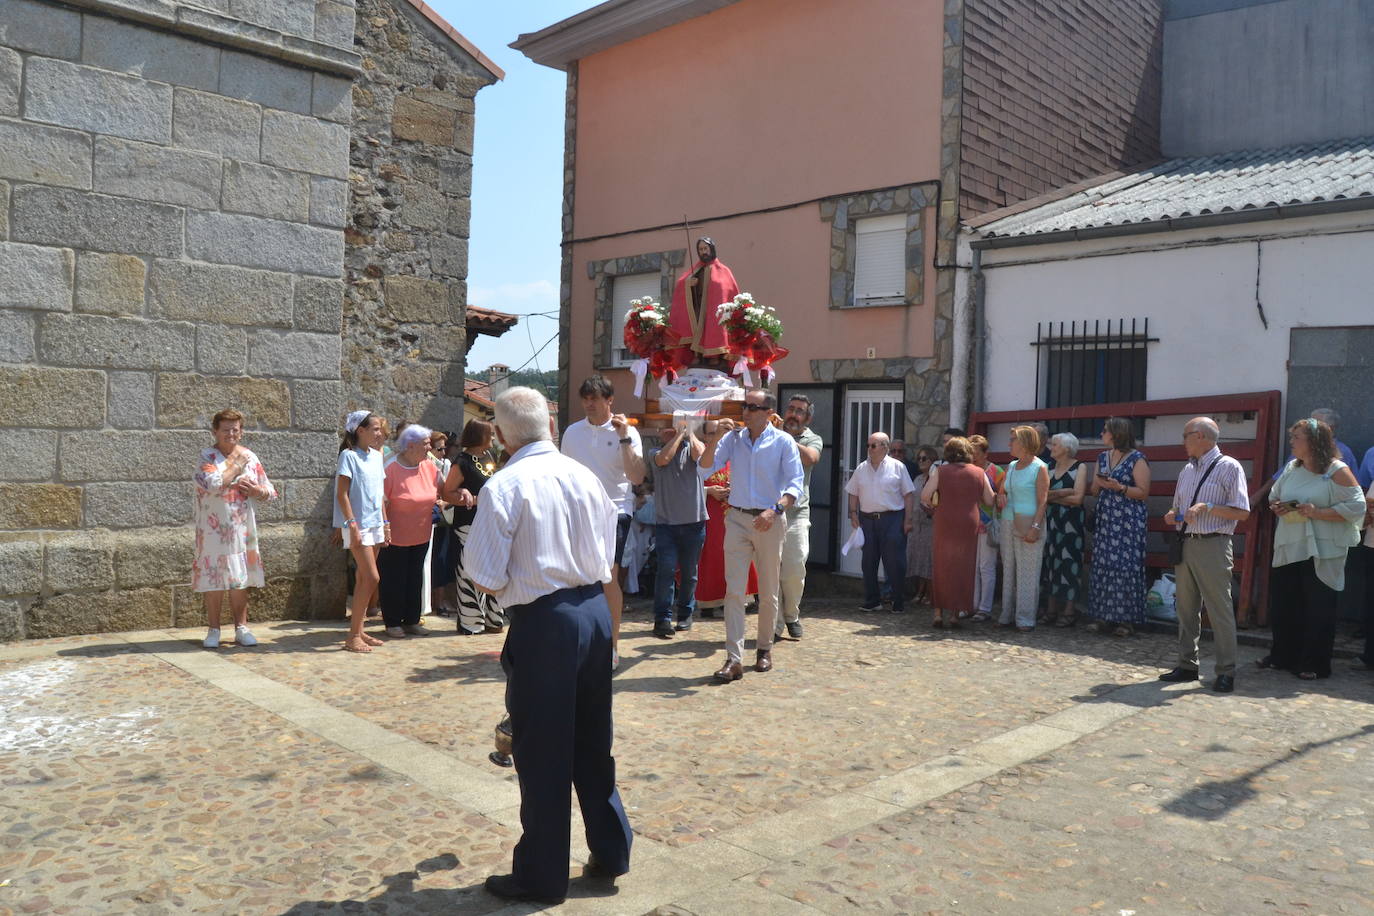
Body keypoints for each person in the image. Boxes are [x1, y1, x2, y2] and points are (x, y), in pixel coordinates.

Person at [465, 387, 633, 905]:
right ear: (549, 427)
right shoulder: (584, 476)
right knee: (590, 740)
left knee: (541, 753)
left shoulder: (506, 485)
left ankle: (541, 876)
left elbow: (485, 575)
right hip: (593, 612)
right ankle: (611, 849)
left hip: (545, 621)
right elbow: (606, 557)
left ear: (500, 434)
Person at [699, 388, 804, 681]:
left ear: (768, 413)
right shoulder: (733, 440)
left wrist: (775, 510)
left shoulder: (783, 442)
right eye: (744, 406)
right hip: (737, 518)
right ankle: (734, 659)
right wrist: (715, 437)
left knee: (768, 591)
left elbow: (795, 485)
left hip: (770, 520)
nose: (745, 411)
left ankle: (764, 648)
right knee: (734, 590)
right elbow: (704, 468)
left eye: (752, 407)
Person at [1261, 418, 1365, 680]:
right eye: (1292, 437)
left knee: (1318, 607)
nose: (1292, 442)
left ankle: (1314, 663)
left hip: (1322, 549)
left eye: (1297, 438)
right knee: (1285, 603)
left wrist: (1318, 512)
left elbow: (1357, 507)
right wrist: (1278, 506)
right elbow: (1275, 495)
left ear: (1314, 442)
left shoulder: (1336, 470)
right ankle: (1282, 656)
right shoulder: (1291, 468)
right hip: (1291, 544)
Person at [1158, 417, 1251, 692]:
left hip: (1214, 544)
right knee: (1186, 608)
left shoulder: (1229, 467)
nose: (1182, 441)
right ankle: (1187, 665)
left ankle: (1226, 671)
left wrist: (1209, 506)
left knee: (1219, 610)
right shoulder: (1187, 470)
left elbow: (1242, 512)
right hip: (1185, 542)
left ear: (1199, 436)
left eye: (1185, 435)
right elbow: (1177, 509)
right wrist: (1173, 516)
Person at [561, 375, 646, 668]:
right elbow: (564, 476)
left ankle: (611, 646)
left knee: (608, 575)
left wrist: (623, 437)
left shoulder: (628, 433)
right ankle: (580, 640)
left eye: (595, 398)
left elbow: (637, 477)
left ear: (610, 401)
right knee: (580, 575)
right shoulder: (572, 433)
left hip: (615, 509)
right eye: (585, 398)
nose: (589, 404)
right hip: (579, 511)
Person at [193, 408, 276, 648]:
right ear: (215, 431)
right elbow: (213, 484)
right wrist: (236, 466)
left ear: (241, 432)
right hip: (212, 529)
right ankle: (214, 630)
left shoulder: (250, 456)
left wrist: (257, 491)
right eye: (226, 430)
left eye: (235, 430)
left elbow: (270, 491)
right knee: (214, 580)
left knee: (240, 578)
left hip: (241, 528)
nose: (231, 434)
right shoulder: (207, 457)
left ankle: (241, 627)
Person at [1086, 417, 1151, 637]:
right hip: (1106, 519)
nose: (1101, 434)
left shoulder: (1137, 459)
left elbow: (1142, 492)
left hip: (1128, 521)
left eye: (1105, 430)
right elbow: (1094, 490)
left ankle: (1126, 620)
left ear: (1116, 433)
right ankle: (1102, 616)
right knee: (1103, 565)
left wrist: (1120, 487)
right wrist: (1100, 484)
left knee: (1126, 567)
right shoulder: (1102, 457)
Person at [378, 425, 444, 639]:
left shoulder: (430, 467)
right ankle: (393, 622)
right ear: (410, 445)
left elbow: (443, 489)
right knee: (394, 578)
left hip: (421, 533)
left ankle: (412, 620)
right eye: (425, 443)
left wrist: (459, 491)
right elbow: (379, 500)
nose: (429, 447)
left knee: (415, 578)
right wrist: (385, 524)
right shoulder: (391, 469)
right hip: (395, 535)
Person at [646, 422, 708, 637]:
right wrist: (677, 435)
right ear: (658, 432)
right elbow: (664, 459)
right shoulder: (654, 452)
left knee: (690, 573)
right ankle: (662, 619)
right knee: (666, 571)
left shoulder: (694, 448)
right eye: (666, 428)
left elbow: (701, 455)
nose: (671, 431)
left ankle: (685, 614)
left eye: (674, 427)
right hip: (667, 525)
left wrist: (689, 432)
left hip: (695, 522)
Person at [923, 436, 993, 627]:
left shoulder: (940, 471)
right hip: (968, 522)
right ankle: (955, 614)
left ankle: (938, 613)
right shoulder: (979, 472)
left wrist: (937, 504)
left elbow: (925, 495)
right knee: (962, 567)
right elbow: (989, 500)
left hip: (945, 520)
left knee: (942, 564)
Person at [335, 410, 389, 653]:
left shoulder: (377, 457)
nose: (380, 433)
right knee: (372, 578)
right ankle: (353, 636)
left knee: (362, 579)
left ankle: (358, 630)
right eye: (375, 429)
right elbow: (341, 494)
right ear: (361, 431)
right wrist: (351, 524)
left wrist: (385, 524)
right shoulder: (348, 456)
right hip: (357, 524)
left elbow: (379, 494)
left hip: (375, 523)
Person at [442, 419, 502, 636]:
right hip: (468, 524)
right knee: (469, 571)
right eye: (490, 435)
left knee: (492, 568)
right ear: (480, 436)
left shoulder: (490, 457)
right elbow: (447, 493)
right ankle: (470, 621)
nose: (494, 439)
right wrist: (473, 499)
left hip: (490, 523)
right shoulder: (462, 461)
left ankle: (494, 618)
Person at [846, 432, 916, 613]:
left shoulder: (898, 467)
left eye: (873, 445)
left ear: (885, 447)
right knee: (868, 562)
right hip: (867, 520)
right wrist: (853, 514)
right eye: (868, 445)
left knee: (895, 561)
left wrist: (908, 520)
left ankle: (897, 600)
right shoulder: (861, 468)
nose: (869, 449)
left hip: (892, 518)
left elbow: (908, 495)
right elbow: (852, 492)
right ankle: (872, 600)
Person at [777, 394, 823, 640]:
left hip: (796, 514)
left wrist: (784, 439)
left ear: (808, 417)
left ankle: (791, 615)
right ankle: (774, 626)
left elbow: (811, 458)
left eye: (799, 411)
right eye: (791, 409)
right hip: (769, 514)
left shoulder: (811, 438)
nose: (793, 414)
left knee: (794, 569)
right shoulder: (770, 432)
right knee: (771, 571)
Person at [995, 425, 1049, 631]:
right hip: (1008, 521)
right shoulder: (1010, 466)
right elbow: (1003, 491)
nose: (1009, 444)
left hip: (1029, 523)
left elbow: (1043, 501)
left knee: (1028, 571)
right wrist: (1001, 497)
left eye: (1012, 440)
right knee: (1008, 569)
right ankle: (1006, 614)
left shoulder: (1039, 468)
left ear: (1025, 443)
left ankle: (1025, 618)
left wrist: (1036, 527)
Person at [695, 462, 759, 618]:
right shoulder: (701, 459)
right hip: (710, 514)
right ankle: (708, 602)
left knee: (737, 555)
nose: (714, 438)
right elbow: (687, 484)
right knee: (712, 554)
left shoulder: (736, 455)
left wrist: (734, 489)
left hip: (734, 512)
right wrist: (708, 491)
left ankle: (736, 599)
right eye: (710, 435)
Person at [668, 236, 739, 364]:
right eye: (700, 249)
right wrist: (689, 283)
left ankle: (715, 356)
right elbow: (681, 283)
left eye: (705, 248)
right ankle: (698, 355)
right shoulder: (695, 269)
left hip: (713, 310)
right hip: (698, 308)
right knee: (697, 329)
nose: (703, 252)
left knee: (713, 329)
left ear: (711, 249)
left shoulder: (723, 270)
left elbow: (727, 291)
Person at [1042, 432, 1088, 628]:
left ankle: (1069, 610)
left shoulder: (1080, 467)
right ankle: (1051, 609)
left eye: (1055, 445)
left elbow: (1078, 499)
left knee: (1070, 563)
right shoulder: (1048, 467)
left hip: (1071, 524)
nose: (1051, 448)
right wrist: (1064, 492)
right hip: (1051, 521)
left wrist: (1053, 496)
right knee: (1050, 562)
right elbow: (1041, 495)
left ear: (1067, 448)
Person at [967, 436, 1005, 622]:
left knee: (986, 566)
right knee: (971, 567)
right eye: (970, 453)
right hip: (969, 523)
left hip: (988, 523)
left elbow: (1003, 497)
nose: (973, 457)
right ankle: (971, 605)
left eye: (976, 453)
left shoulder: (996, 472)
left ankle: (984, 608)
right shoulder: (967, 470)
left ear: (985, 453)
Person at [427, 430, 458, 617]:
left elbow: (448, 491)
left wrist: (444, 502)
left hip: (441, 518)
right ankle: (431, 602)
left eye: (445, 448)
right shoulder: (426, 464)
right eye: (440, 449)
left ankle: (439, 602)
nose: (443, 453)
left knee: (440, 560)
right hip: (427, 519)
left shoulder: (444, 465)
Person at [906, 445, 940, 607]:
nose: (920, 461)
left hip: (931, 525)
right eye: (919, 458)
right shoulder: (917, 479)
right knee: (919, 559)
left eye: (924, 458)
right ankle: (920, 591)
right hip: (917, 523)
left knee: (929, 559)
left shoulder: (937, 478)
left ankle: (929, 593)